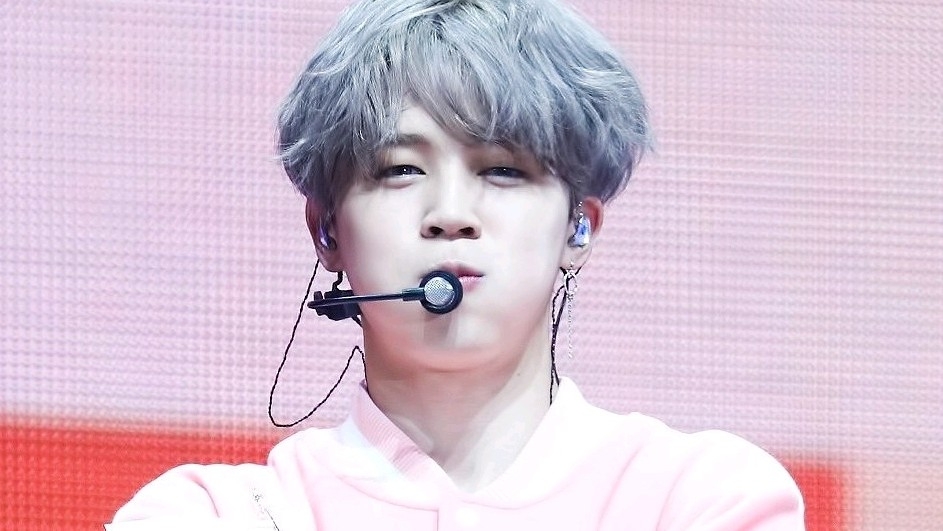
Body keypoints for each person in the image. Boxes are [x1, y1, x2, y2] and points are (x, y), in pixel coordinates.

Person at [108, 0, 804, 529]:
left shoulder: (698, 498)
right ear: (326, 229)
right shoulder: (216, 514)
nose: (449, 213)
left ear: (578, 227)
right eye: (399, 169)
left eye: (502, 169)